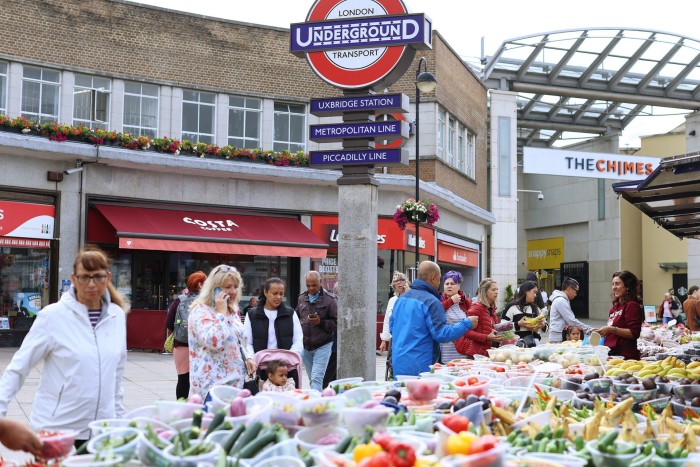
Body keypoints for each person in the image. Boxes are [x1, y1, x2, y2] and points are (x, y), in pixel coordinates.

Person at [0, 246, 128, 442]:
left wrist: (118, 422)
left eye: (98, 277)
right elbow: (19, 367)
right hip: (57, 429)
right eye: (85, 277)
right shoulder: (53, 316)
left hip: (102, 430)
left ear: (108, 278)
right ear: (74, 279)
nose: (92, 284)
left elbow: (116, 376)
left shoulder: (116, 315)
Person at [390, 261, 478, 377]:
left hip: (398, 363)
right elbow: (441, 334)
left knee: (403, 394)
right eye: (440, 278)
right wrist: (467, 323)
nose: (440, 282)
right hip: (421, 366)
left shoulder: (401, 299)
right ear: (433, 277)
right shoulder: (431, 301)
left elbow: (392, 328)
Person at [188, 265, 255, 401]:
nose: (233, 291)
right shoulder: (200, 311)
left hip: (235, 384)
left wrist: (248, 357)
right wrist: (221, 313)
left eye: (235, 286)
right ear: (215, 288)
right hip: (212, 387)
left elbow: (240, 339)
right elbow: (214, 342)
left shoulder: (232, 309)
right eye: (227, 287)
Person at [243, 277, 303, 385]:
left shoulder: (290, 313)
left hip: (286, 370)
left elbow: (298, 340)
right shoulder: (252, 315)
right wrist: (251, 359)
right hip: (260, 369)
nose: (279, 297)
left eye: (281, 294)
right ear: (265, 292)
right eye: (275, 293)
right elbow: (247, 343)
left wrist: (287, 360)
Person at [165, 271, 206, 400]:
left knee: (183, 379)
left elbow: (169, 323)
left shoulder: (179, 300)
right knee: (201, 379)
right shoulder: (208, 302)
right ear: (200, 284)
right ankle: (199, 408)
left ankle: (181, 408)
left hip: (181, 345)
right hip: (202, 347)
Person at [295, 271, 338, 392]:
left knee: (316, 378)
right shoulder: (302, 298)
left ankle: (317, 406)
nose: (311, 288)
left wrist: (320, 322)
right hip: (306, 346)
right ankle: (321, 397)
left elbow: (336, 323)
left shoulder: (330, 300)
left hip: (323, 344)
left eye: (314, 285)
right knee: (312, 379)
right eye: (308, 285)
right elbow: (296, 319)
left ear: (320, 282)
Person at [593, 270, 643, 360]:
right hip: (612, 353)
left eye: (617, 284)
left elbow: (634, 333)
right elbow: (614, 327)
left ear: (627, 286)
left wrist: (611, 329)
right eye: (613, 284)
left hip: (625, 356)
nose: (614, 288)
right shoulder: (616, 306)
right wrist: (602, 331)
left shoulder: (631, 305)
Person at [455, 278, 503, 359]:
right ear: (485, 292)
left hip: (490, 354)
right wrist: (486, 337)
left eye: (497, 289)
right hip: (477, 355)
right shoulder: (476, 307)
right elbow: (466, 332)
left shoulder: (492, 309)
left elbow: (489, 328)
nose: (496, 292)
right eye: (493, 289)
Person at [379, 272, 409, 381]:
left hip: (408, 337)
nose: (399, 283)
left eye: (401, 280)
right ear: (393, 285)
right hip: (395, 338)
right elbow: (387, 320)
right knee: (392, 363)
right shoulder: (392, 301)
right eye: (396, 281)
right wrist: (384, 340)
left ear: (406, 282)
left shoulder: (411, 296)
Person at [439, 271, 473, 363]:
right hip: (445, 350)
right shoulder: (439, 300)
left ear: (459, 286)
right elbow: (435, 312)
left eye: (452, 283)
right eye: (446, 284)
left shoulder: (466, 302)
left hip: (463, 349)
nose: (449, 286)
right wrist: (450, 301)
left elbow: (473, 322)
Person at [503, 280, 547, 347]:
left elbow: (546, 326)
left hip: (534, 344)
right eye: (534, 292)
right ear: (526, 291)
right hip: (516, 346)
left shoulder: (535, 308)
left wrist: (542, 325)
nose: (535, 295)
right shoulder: (512, 307)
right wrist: (518, 324)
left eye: (536, 293)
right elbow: (502, 327)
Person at [548, 278, 591, 343]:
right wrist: (588, 329)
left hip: (559, 337)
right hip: (558, 339)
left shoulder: (561, 300)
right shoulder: (561, 301)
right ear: (569, 289)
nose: (576, 294)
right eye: (576, 291)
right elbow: (571, 320)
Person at [322, 281, 340, 390]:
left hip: (330, 344)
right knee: (329, 375)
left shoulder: (331, 302)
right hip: (334, 345)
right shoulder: (336, 303)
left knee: (331, 374)